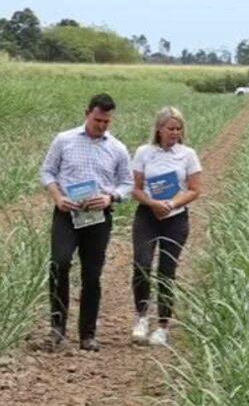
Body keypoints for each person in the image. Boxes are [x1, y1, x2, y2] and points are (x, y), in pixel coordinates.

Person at [41, 93, 133, 351]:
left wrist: (110, 197)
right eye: (97, 120)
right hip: (67, 213)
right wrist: (58, 197)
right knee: (59, 264)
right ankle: (57, 329)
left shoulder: (117, 148)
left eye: (106, 121)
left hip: (98, 217)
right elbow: (47, 171)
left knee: (92, 274)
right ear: (87, 114)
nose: (101, 126)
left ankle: (87, 335)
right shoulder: (64, 140)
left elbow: (127, 183)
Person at [131, 106, 202, 346]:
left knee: (166, 270)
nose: (174, 133)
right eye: (170, 128)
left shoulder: (188, 155)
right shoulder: (144, 152)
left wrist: (171, 204)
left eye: (178, 129)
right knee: (141, 264)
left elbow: (194, 189)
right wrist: (152, 203)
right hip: (147, 216)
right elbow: (136, 187)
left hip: (176, 218)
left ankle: (162, 325)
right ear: (159, 129)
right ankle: (141, 317)